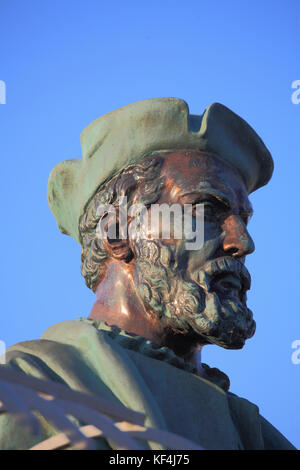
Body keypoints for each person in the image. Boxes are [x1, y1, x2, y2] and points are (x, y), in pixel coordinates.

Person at [0, 98, 295, 449]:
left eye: (243, 220)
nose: (242, 242)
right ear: (117, 233)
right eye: (204, 209)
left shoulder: (257, 436)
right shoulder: (29, 389)